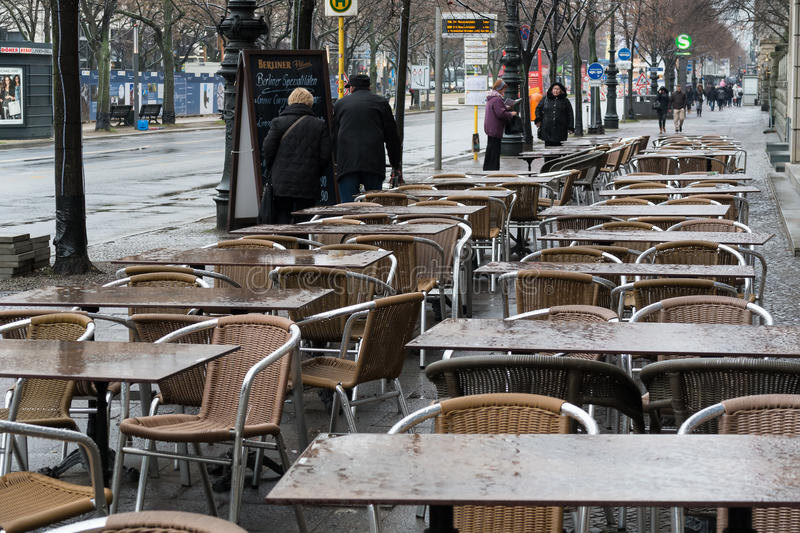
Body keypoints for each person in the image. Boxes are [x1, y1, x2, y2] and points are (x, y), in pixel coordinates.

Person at [261, 87, 331, 224]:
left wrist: (273, 169)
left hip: (281, 181)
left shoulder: (278, 122)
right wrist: (315, 172)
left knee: (282, 216)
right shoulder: (319, 125)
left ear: (291, 101)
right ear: (310, 103)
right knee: (305, 218)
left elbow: (267, 149)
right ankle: (303, 244)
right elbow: (325, 155)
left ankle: (285, 242)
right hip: (308, 182)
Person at [333, 73, 402, 202]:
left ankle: (350, 221)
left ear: (352, 88)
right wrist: (395, 163)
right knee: (374, 203)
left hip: (347, 163)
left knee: (348, 206)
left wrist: (336, 161)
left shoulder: (340, 104)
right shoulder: (381, 103)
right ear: (369, 87)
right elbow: (392, 137)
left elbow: (334, 136)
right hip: (373, 162)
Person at [483, 79, 518, 170]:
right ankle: (493, 169)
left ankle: (487, 168)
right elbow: (501, 114)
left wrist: (505, 107)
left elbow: (497, 110)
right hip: (495, 128)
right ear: (499, 89)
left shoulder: (491, 98)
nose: (504, 91)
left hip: (490, 128)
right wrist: (511, 114)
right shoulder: (497, 99)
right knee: (495, 150)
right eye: (503, 89)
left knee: (490, 149)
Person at [534, 81, 573, 147]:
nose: (556, 91)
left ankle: (558, 157)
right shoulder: (545, 99)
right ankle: (548, 157)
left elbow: (570, 114)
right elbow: (538, 109)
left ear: (561, 91)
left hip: (560, 128)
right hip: (547, 128)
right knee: (548, 146)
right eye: (554, 89)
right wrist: (538, 119)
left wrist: (570, 127)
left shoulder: (565, 101)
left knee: (558, 147)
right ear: (551, 90)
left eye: (558, 89)